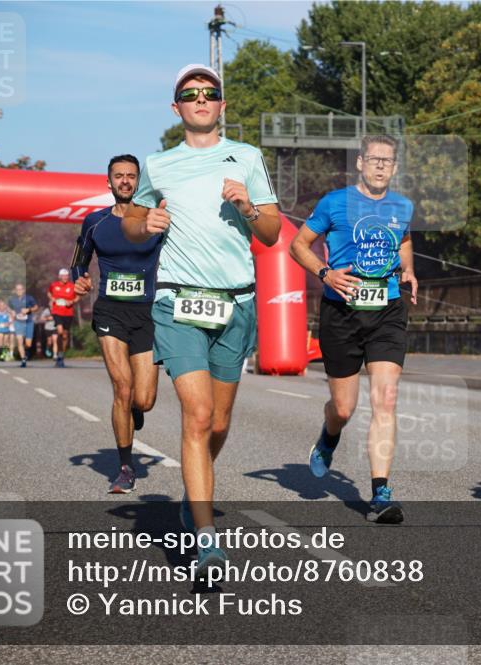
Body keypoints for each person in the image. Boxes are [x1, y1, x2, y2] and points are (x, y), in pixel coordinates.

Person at [123, 64, 280, 575]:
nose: (200, 99)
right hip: (178, 301)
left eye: (209, 93)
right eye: (189, 94)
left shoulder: (247, 157)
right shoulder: (158, 164)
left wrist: (248, 207)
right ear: (176, 108)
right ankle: (206, 538)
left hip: (236, 302)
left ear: (221, 104)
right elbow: (131, 222)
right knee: (197, 415)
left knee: (218, 422)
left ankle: (197, 485)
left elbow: (273, 232)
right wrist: (145, 223)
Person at [289, 134, 417, 525]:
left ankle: (380, 493)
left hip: (387, 311)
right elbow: (298, 245)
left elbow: (404, 240)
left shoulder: (403, 206)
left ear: (395, 168)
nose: (380, 166)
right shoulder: (334, 203)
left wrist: (408, 269)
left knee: (385, 400)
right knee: (344, 408)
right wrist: (325, 273)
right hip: (341, 312)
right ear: (360, 163)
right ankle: (329, 435)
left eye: (387, 161)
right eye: (373, 159)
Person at [73, 154, 163, 494]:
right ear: (108, 182)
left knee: (145, 399)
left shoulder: (154, 221)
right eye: (118, 175)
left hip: (147, 313)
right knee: (122, 389)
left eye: (131, 175)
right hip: (110, 311)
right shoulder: (94, 221)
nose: (125, 181)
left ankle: (135, 410)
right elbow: (78, 261)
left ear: (139, 181)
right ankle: (125, 467)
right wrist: (80, 279)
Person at [47, 268, 77, 367]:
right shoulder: (54, 285)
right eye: (63, 276)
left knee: (65, 335)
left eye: (67, 275)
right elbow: (49, 293)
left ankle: (61, 354)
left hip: (68, 313)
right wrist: (52, 298)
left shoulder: (72, 286)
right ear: (59, 276)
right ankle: (58, 353)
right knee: (60, 331)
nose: (65, 277)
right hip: (57, 312)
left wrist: (72, 301)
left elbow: (78, 296)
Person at [8, 283, 38, 368]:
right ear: (15, 290)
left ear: (24, 290)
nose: (19, 291)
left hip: (28, 322)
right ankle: (23, 359)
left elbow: (36, 307)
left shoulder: (29, 298)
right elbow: (8, 307)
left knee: (28, 344)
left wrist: (28, 309)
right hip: (18, 322)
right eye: (17, 289)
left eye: (20, 289)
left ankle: (25, 353)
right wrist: (11, 311)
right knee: (19, 341)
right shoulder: (12, 299)